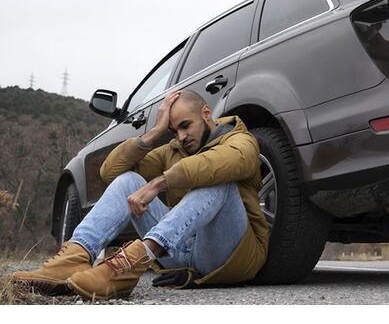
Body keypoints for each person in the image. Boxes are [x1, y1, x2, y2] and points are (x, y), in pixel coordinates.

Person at [11, 89, 269, 300]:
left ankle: (134, 260)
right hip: (178, 251)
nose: (181, 136)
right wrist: (154, 133)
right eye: (174, 129)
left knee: (217, 180)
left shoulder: (240, 139)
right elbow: (110, 172)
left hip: (229, 253)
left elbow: (230, 162)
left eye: (185, 125)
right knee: (129, 180)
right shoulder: (173, 148)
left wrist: (158, 183)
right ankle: (75, 257)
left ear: (206, 113)